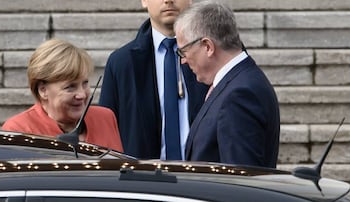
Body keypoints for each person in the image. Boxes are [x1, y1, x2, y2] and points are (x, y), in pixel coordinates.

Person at [175, 0, 280, 168]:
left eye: (184, 51)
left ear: (208, 46)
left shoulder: (239, 95)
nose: (183, 61)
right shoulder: (238, 83)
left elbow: (240, 183)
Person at [99, 0, 208, 160]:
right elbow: (106, 133)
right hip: (144, 180)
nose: (168, 0)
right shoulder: (121, 63)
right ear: (144, 1)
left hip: (208, 178)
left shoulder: (216, 52)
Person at [2, 38, 123, 152]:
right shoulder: (19, 130)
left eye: (85, 83)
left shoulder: (105, 118)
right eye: (70, 87)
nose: (81, 94)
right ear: (43, 90)